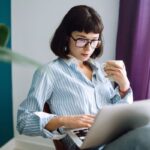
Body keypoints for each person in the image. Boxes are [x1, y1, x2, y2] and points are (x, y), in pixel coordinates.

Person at [17, 5, 150, 150]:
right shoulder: (49, 72)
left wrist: (124, 88)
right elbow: (23, 121)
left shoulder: (100, 70)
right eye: (81, 40)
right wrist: (65, 120)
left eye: (94, 41)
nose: (88, 48)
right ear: (67, 37)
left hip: (112, 138)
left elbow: (118, 115)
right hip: (87, 147)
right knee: (144, 137)